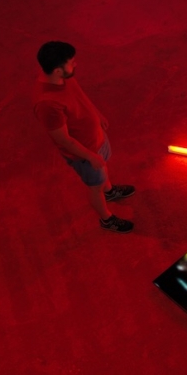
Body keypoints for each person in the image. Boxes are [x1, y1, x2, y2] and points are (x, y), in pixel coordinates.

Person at [33, 41, 135, 233]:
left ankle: (109, 192)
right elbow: (63, 140)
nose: (76, 64)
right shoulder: (47, 104)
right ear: (57, 70)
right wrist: (90, 156)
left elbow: (79, 95)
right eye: (72, 62)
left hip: (96, 138)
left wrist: (97, 114)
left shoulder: (64, 76)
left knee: (103, 173)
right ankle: (106, 219)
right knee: (95, 186)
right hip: (84, 154)